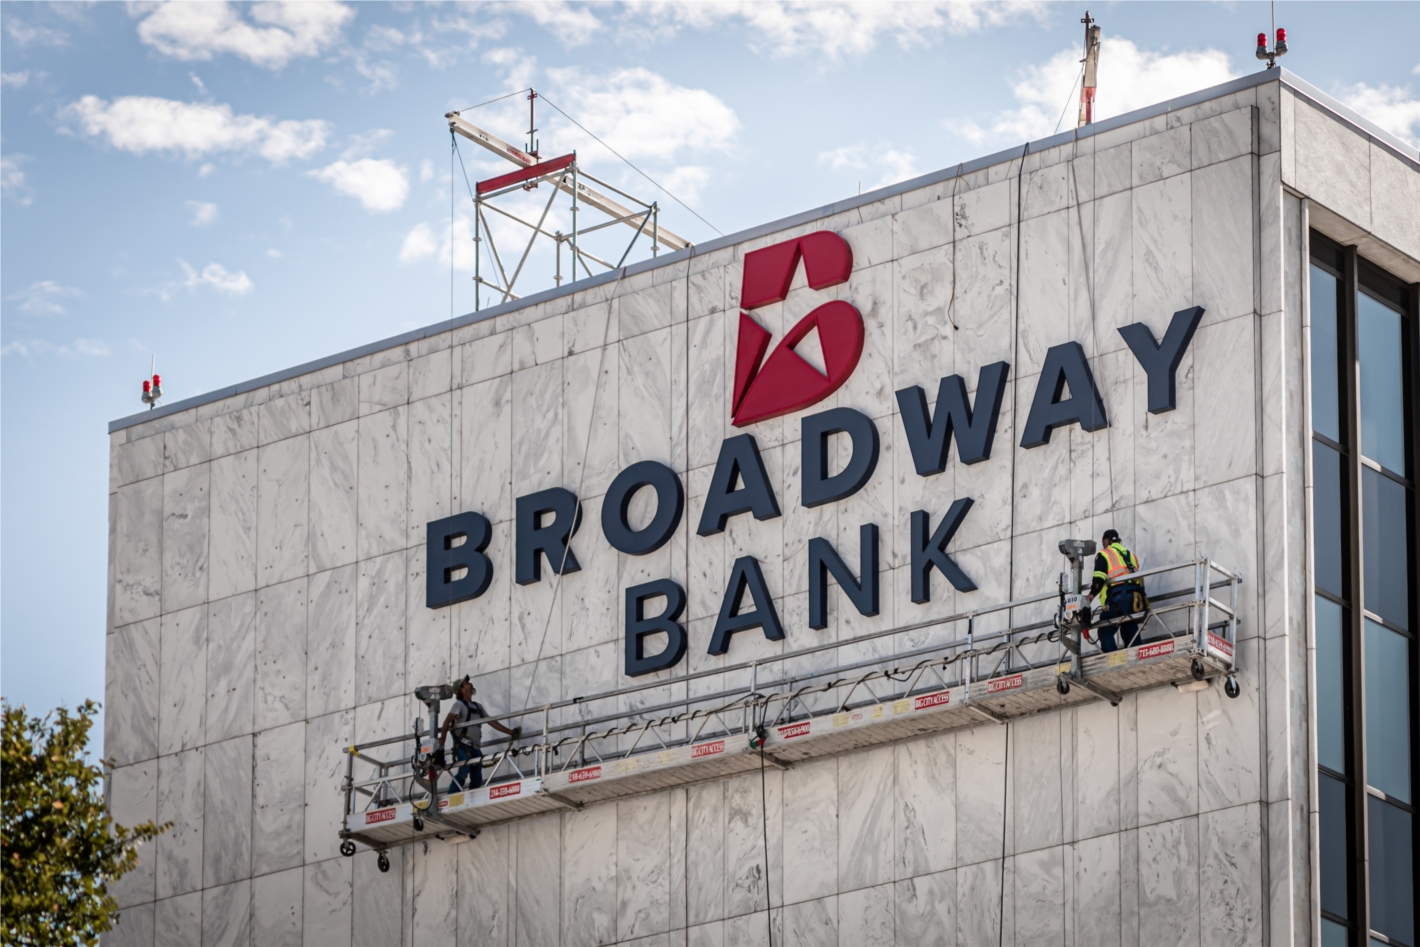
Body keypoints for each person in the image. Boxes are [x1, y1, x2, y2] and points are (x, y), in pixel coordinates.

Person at [437, 676, 520, 790]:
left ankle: (473, 797)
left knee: (477, 776)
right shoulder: (459, 705)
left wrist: (510, 732)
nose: (470, 684)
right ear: (462, 689)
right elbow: (447, 721)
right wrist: (443, 738)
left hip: (475, 748)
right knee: (464, 770)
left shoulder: (478, 706)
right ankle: (452, 795)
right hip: (463, 746)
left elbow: (491, 721)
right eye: (467, 683)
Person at [1086, 529, 1148, 652]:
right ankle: (1135, 656)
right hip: (1134, 598)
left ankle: (1111, 659)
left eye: (1103, 542)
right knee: (1129, 627)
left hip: (1117, 597)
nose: (1102, 545)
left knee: (1105, 632)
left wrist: (1091, 595)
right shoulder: (1131, 555)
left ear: (1107, 541)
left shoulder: (1104, 554)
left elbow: (1099, 578)